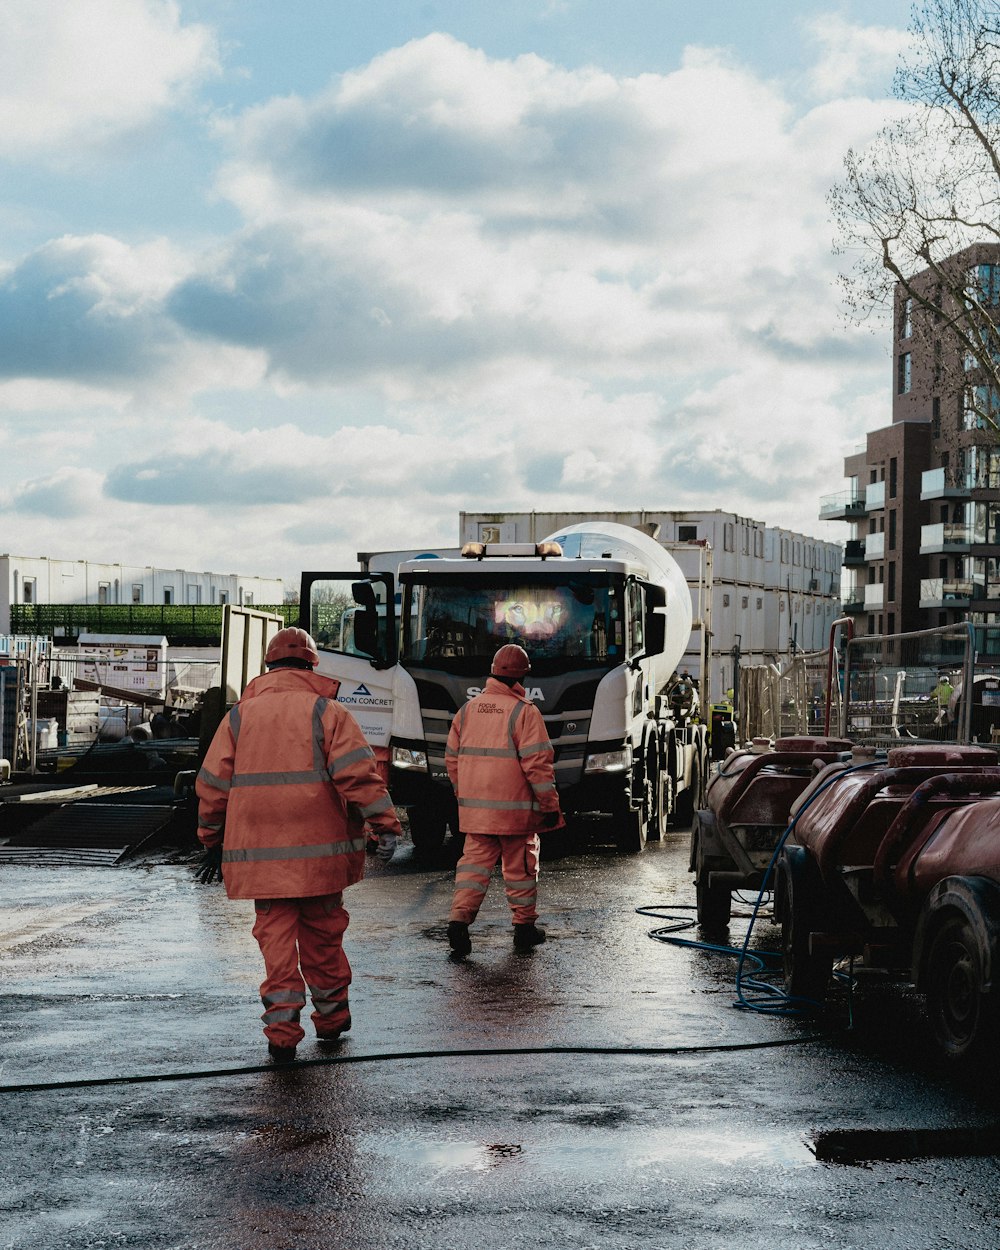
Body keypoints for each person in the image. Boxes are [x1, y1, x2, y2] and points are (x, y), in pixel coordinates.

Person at [194, 626, 401, 1063]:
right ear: (311, 665)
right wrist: (385, 825)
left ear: (268, 666)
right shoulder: (327, 712)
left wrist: (211, 837)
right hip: (320, 858)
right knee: (324, 937)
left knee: (276, 946)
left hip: (260, 860)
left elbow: (213, 786)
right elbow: (359, 777)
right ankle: (331, 1021)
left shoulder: (239, 716)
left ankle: (282, 1034)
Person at [445, 643, 564, 957]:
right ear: (521, 678)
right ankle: (524, 930)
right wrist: (550, 806)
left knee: (472, 868)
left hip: (477, 813)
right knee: (521, 869)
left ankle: (458, 923)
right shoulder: (524, 712)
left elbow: (452, 760)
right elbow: (538, 765)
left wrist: (466, 795)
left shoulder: (467, 711)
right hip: (515, 814)